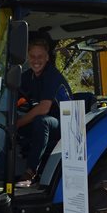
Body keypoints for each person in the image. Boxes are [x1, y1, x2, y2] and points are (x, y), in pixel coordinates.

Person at [17, 37, 71, 186]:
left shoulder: (52, 76)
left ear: (47, 57)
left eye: (40, 56)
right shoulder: (28, 76)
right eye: (32, 56)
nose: (36, 60)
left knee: (41, 121)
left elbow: (44, 108)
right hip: (47, 120)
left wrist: (17, 123)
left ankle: (30, 172)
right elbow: (12, 90)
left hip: (66, 122)